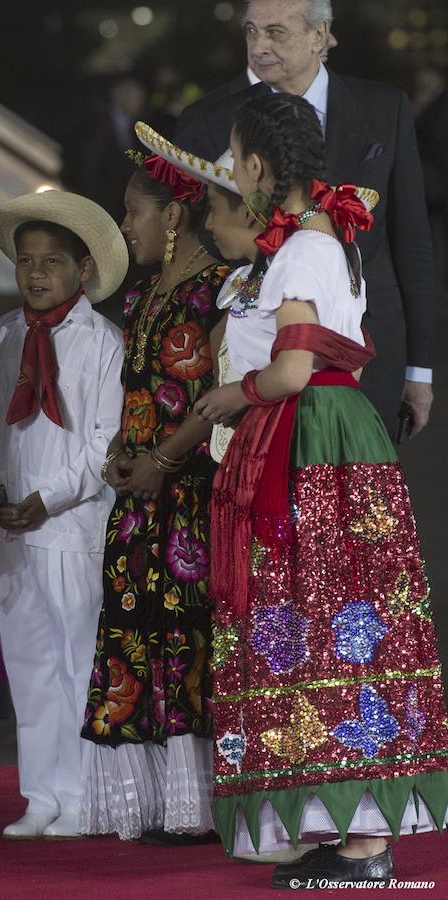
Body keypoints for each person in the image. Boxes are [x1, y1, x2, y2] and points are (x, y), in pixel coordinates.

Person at [190, 92, 448, 888]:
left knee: (324, 619)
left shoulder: (305, 246)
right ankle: (343, 828)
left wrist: (232, 395)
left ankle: (363, 842)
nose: (235, 176)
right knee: (334, 622)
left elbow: (294, 369)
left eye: (237, 162)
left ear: (257, 165)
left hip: (311, 442)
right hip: (333, 437)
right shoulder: (328, 236)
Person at [175, 0, 435, 439]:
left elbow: (412, 242)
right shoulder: (211, 118)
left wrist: (419, 369)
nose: (259, 46)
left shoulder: (383, 108)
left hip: (371, 350)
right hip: (256, 361)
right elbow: (198, 242)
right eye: (251, 31)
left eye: (275, 32)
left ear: (320, 35)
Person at [0, 190, 127, 838]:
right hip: (9, 529)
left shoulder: (102, 341)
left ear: (82, 270)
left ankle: (84, 793)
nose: (35, 273)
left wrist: (46, 498)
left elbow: (104, 442)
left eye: (51, 261)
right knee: (28, 666)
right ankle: (41, 794)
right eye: (26, 260)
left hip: (72, 528)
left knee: (78, 662)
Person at [79, 151, 229, 843]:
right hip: (139, 499)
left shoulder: (221, 291)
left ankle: (198, 803)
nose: (124, 225)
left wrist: (163, 462)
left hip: (191, 494)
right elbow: (138, 392)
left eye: (133, 211)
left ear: (173, 216)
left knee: (186, 635)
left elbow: (217, 396)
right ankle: (156, 802)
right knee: (134, 634)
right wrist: (120, 451)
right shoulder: (142, 297)